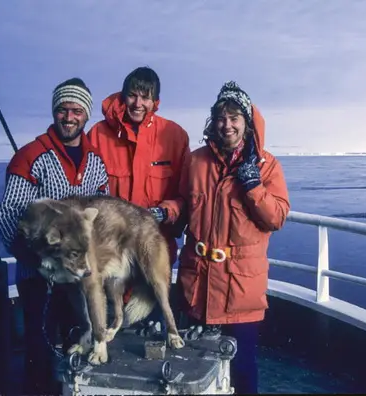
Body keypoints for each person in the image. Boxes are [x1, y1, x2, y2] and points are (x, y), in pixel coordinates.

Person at [0, 77, 109, 395]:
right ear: (54, 112)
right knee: (40, 350)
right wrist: (35, 260)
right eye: (62, 109)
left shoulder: (96, 162)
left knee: (79, 342)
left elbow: (102, 215)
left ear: (86, 115)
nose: (69, 117)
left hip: (77, 277)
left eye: (76, 110)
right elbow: (8, 216)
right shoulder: (31, 157)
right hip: (39, 278)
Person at [176, 81, 290, 394]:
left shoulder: (267, 167)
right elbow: (184, 204)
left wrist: (254, 187)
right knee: (192, 361)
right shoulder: (196, 161)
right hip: (198, 284)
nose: (227, 125)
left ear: (247, 123)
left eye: (235, 118)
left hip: (240, 289)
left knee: (242, 365)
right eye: (221, 118)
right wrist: (165, 212)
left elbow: (277, 217)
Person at [87, 66, 190, 319]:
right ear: (123, 96)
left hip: (153, 256)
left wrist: (166, 212)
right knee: (108, 334)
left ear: (156, 102)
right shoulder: (98, 136)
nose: (138, 103)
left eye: (145, 97)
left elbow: (185, 195)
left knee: (154, 336)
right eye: (132, 95)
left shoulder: (174, 137)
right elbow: (87, 193)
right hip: (110, 257)